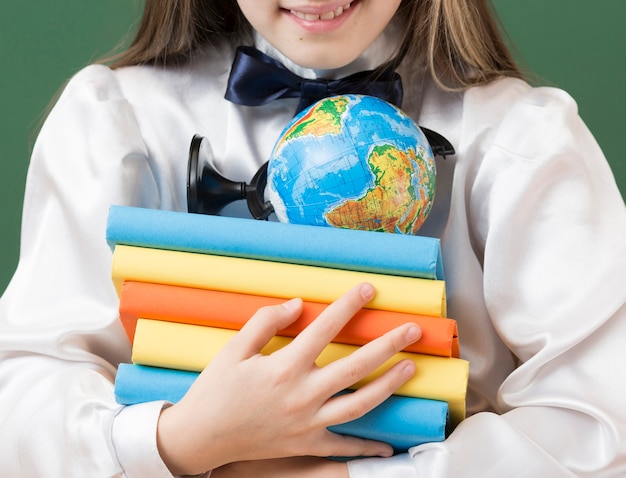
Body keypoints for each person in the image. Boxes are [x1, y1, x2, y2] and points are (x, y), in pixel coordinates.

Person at [1, 0, 625, 476]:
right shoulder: (116, 124)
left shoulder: (523, 144)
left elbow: (602, 428)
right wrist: (179, 441)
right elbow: (22, 402)